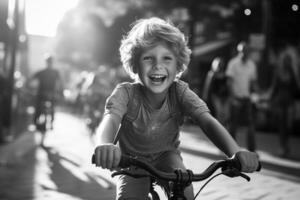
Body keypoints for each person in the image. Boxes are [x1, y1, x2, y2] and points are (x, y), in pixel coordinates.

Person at [93, 17, 260, 200]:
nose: (158, 66)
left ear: (178, 64)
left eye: (167, 58)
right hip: (131, 161)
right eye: (148, 58)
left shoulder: (179, 91)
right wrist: (104, 144)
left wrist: (235, 151)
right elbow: (110, 120)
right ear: (134, 63)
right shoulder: (126, 93)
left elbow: (207, 121)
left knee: (185, 191)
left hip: (167, 156)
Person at [267, 42, 300, 157]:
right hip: (280, 102)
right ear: (283, 61)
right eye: (286, 60)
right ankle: (282, 147)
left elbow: (296, 88)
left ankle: (286, 145)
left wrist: (294, 74)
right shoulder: (278, 72)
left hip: (289, 102)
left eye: (289, 60)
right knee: (281, 125)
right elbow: (274, 88)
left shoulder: (292, 73)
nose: (287, 62)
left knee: (288, 126)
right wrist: (270, 101)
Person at [225, 41, 258, 152]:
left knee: (251, 125)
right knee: (233, 126)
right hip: (236, 99)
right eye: (242, 51)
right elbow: (229, 82)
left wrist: (256, 95)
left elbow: (253, 83)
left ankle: (252, 151)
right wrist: (233, 98)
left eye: (246, 51)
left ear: (248, 52)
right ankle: (231, 149)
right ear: (239, 52)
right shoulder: (233, 63)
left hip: (247, 99)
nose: (244, 53)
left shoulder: (252, 65)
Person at [29, 54, 62, 130]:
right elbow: (60, 83)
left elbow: (60, 83)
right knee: (44, 107)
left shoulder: (44, 72)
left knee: (45, 107)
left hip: (46, 93)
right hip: (45, 93)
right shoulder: (51, 72)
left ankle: (39, 121)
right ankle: (48, 122)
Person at [203, 57, 230, 127]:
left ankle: (223, 127)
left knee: (226, 114)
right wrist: (205, 97)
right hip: (215, 96)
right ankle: (219, 128)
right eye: (219, 64)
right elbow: (207, 86)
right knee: (219, 112)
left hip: (225, 96)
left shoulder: (226, 73)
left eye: (222, 63)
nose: (221, 65)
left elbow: (228, 85)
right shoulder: (211, 74)